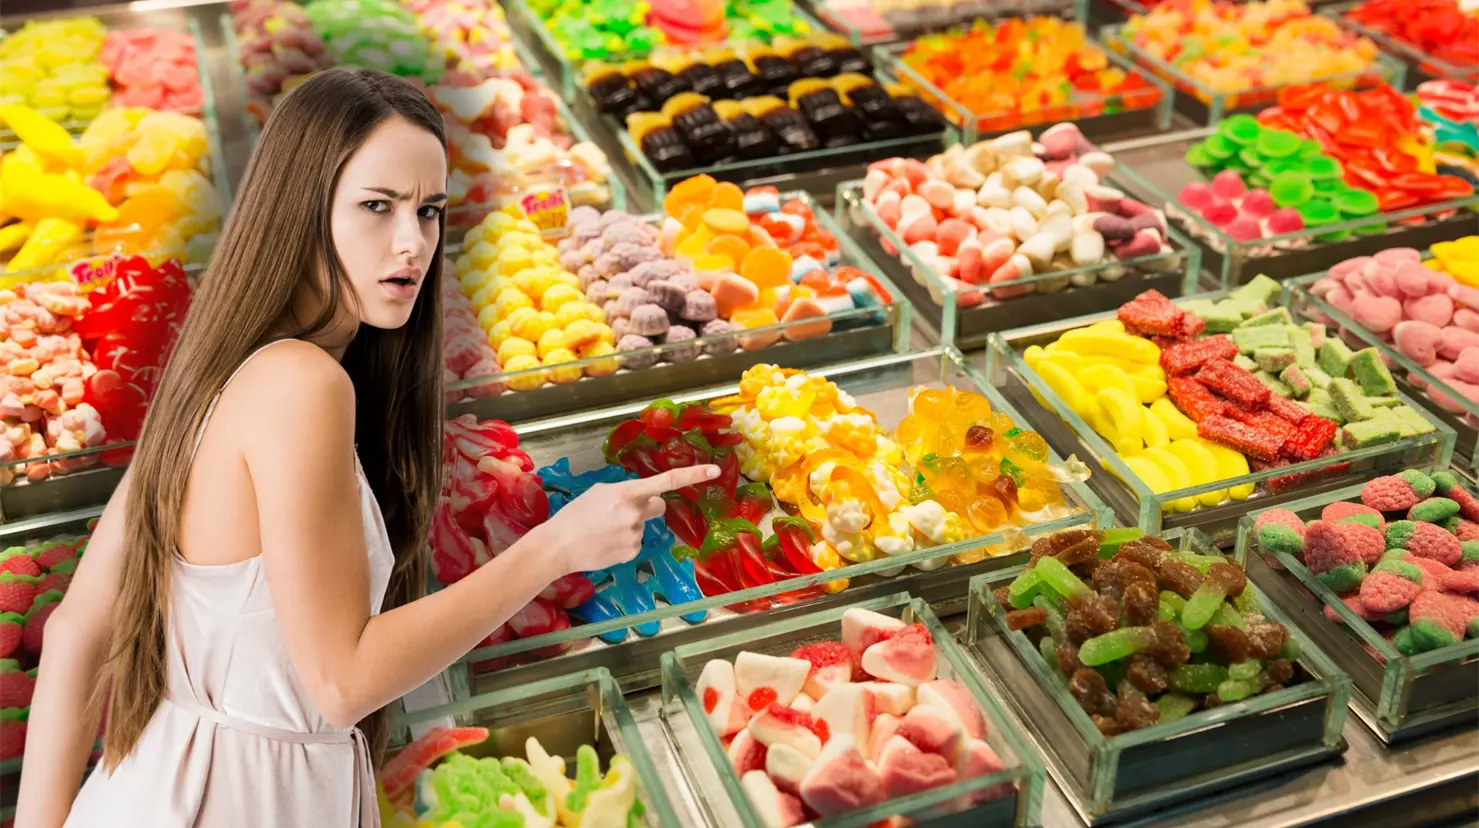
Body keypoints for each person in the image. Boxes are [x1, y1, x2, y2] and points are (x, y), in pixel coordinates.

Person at [15, 67, 717, 828]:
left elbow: (75, 629)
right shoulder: (303, 383)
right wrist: (553, 547)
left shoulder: (222, 363)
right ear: (301, 211)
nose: (411, 243)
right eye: (376, 207)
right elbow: (340, 681)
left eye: (430, 210)